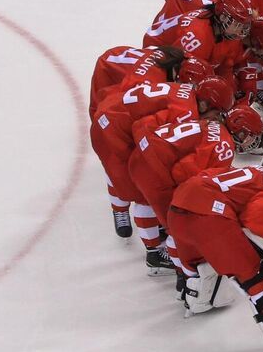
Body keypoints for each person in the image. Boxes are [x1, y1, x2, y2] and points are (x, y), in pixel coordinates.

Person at [167, 149, 263, 352]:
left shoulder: (243, 170)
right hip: (209, 217)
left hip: (177, 207)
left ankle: (192, 295)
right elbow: (255, 223)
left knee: (197, 260)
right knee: (256, 272)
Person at [90, 77, 233, 266]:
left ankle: (135, 219)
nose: (217, 119)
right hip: (113, 129)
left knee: (132, 178)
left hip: (112, 112)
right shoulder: (186, 112)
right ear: (205, 104)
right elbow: (142, 130)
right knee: (142, 191)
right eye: (217, 113)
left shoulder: (187, 95)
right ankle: (153, 252)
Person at [127, 107, 261, 276]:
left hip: (139, 157)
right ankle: (181, 274)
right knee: (177, 224)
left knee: (145, 202)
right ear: (239, 130)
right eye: (249, 136)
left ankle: (154, 247)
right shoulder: (224, 146)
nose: (251, 142)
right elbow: (182, 173)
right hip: (155, 171)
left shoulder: (211, 124)